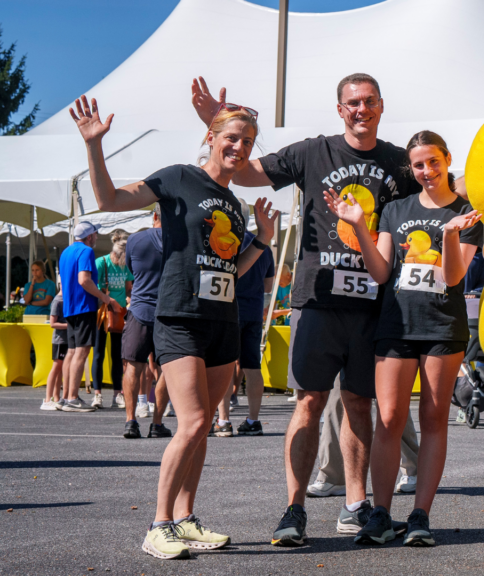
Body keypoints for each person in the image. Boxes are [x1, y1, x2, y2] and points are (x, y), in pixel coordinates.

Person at [190, 73, 420, 546]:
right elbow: (246, 172)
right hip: (317, 301)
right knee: (310, 402)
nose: (361, 109)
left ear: (381, 105)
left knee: (359, 404)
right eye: (352, 103)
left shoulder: (399, 163)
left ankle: (355, 507)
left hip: (372, 307)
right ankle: (294, 509)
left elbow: (442, 191)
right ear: (340, 110)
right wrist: (217, 123)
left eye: (369, 101)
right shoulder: (314, 151)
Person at [71, 93, 278, 559]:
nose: (239, 147)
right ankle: (158, 525)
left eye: (247, 141)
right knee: (196, 420)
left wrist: (263, 240)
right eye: (232, 138)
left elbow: (231, 269)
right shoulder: (179, 177)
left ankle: (185, 519)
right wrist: (94, 146)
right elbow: (108, 200)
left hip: (222, 320)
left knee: (201, 429)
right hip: (180, 317)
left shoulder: (234, 202)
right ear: (211, 137)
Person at [326, 130, 481, 546]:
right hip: (395, 324)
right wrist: (359, 227)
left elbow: (453, 277)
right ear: (411, 169)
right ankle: (380, 513)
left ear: (447, 160)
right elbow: (380, 272)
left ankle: (419, 515)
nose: (427, 171)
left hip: (442, 327)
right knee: (390, 417)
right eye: (419, 165)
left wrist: (450, 234)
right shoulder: (396, 210)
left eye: (433, 162)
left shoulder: (467, 213)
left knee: (433, 418)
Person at [216, 227, 276, 437]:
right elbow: (268, 286)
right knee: (253, 367)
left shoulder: (225, 239)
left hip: (229, 309)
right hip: (254, 311)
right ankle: (253, 420)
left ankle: (223, 421)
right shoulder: (264, 246)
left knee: (224, 365)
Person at [58, 221, 120, 413]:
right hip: (83, 307)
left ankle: (66, 397)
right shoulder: (86, 251)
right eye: (95, 234)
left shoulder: (66, 251)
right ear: (90, 236)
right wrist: (105, 298)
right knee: (81, 352)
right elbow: (84, 280)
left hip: (70, 308)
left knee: (71, 352)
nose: (97, 237)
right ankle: (72, 398)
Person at [123, 207, 174, 439]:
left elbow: (132, 270)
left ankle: (130, 421)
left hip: (140, 310)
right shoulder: (180, 241)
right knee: (167, 369)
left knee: (133, 366)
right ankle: (157, 423)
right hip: (169, 312)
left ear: (154, 216)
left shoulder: (135, 240)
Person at [91, 231, 134, 409]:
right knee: (98, 353)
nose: (124, 261)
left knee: (117, 355)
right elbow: (92, 287)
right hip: (102, 313)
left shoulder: (126, 266)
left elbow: (129, 288)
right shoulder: (101, 263)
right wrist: (108, 299)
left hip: (119, 314)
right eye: (122, 258)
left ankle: (117, 394)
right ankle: (97, 394)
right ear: (115, 254)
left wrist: (130, 300)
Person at [42, 286, 67, 411]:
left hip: (66, 339)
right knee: (56, 367)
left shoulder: (66, 299)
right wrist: (69, 326)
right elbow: (52, 323)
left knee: (61, 369)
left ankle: (56, 397)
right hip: (59, 340)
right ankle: (47, 399)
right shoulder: (57, 301)